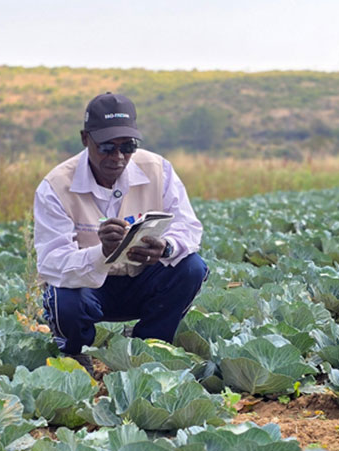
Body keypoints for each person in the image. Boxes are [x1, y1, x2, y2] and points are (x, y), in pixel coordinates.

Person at [32, 92, 207, 373]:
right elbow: (52, 264)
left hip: (141, 280)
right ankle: (75, 354)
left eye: (128, 146)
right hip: (89, 288)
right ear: (85, 139)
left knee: (191, 267)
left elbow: (188, 227)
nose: (118, 157)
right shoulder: (55, 186)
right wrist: (101, 253)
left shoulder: (158, 170)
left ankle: (147, 348)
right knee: (62, 295)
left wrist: (166, 247)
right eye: (106, 147)